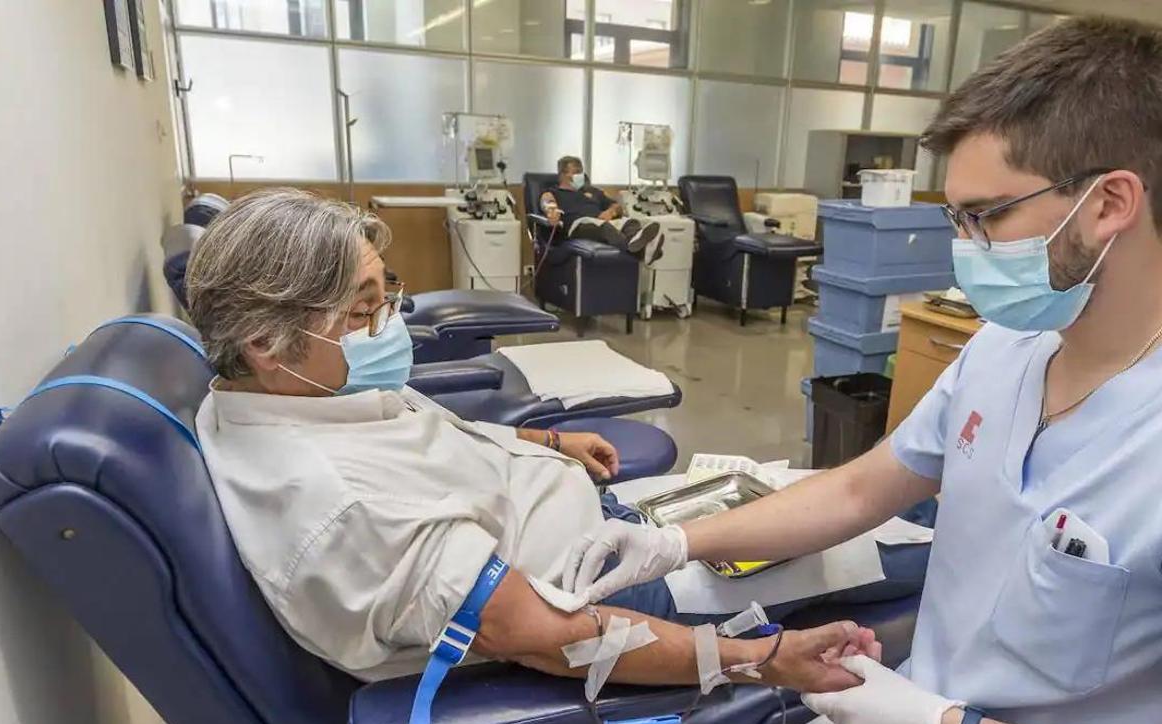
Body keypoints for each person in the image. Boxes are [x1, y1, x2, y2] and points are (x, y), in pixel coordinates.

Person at [572, 16, 1162, 724]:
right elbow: (859, 486)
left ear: (1110, 204)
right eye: (955, 218)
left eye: (986, 216)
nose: (967, 250)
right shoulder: (1006, 349)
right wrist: (677, 543)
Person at [184, 186, 876, 697]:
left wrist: (543, 440)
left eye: (383, 298)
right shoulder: (348, 508)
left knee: (778, 488)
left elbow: (424, 438)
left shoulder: (277, 397)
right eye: (363, 311)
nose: (387, 324)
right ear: (264, 343)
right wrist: (755, 659)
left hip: (609, 530)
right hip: (614, 592)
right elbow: (557, 639)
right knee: (875, 540)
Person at [540, 155, 665, 263]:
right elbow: (547, 200)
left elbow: (617, 206)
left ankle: (643, 248)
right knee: (606, 228)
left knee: (630, 223)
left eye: (581, 171)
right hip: (579, 225)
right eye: (576, 171)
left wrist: (611, 212)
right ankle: (644, 251)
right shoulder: (554, 192)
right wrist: (551, 211)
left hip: (603, 222)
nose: (580, 175)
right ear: (563, 174)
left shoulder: (593, 191)